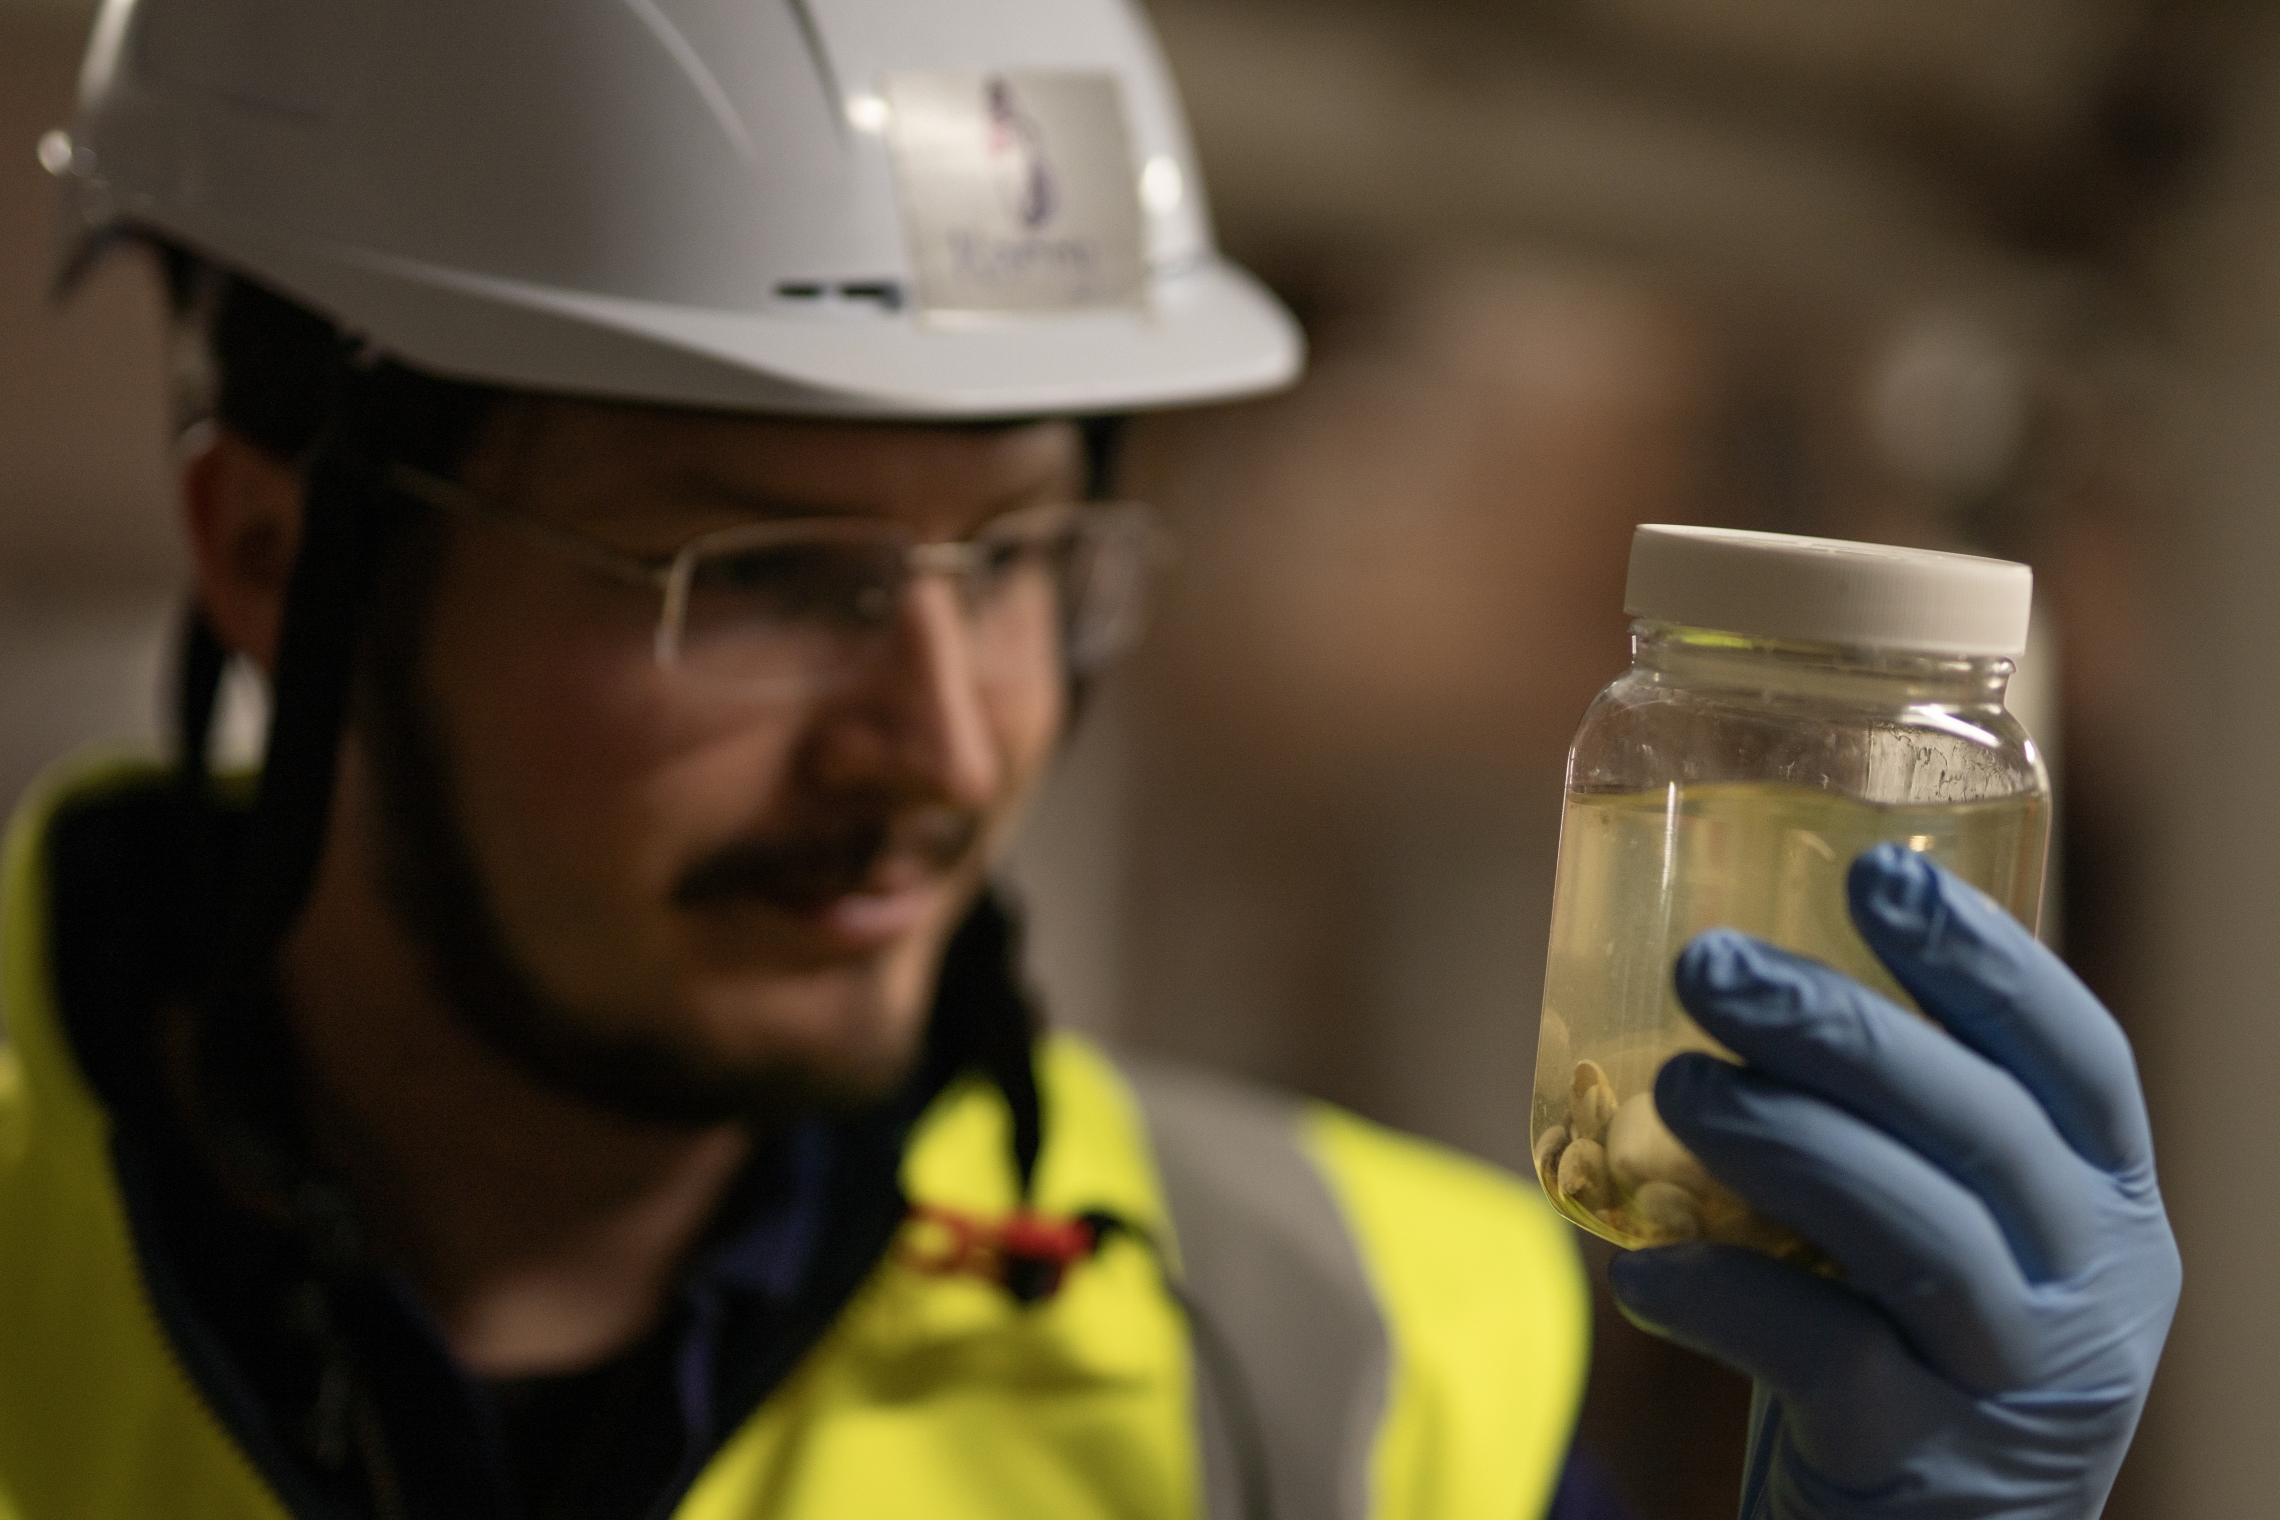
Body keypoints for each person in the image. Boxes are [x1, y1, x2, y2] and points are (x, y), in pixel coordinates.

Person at [0, 2, 2177, 1518]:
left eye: (1026, 555)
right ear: (280, 558)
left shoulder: (1354, 1354)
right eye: (760, 576)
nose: (954, 741)